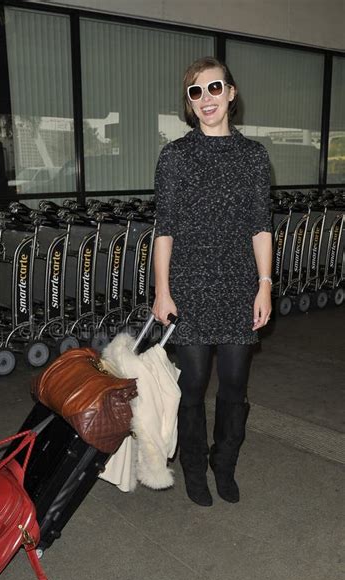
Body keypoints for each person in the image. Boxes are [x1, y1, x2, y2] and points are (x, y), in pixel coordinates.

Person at [152, 56, 273, 506]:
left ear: (232, 93)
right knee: (192, 389)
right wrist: (162, 292)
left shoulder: (253, 157)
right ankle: (193, 468)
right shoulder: (175, 157)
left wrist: (265, 285)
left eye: (215, 88)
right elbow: (164, 230)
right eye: (196, 92)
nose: (207, 99)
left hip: (240, 289)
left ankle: (224, 464)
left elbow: (261, 226)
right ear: (189, 103)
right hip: (188, 289)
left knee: (235, 389)